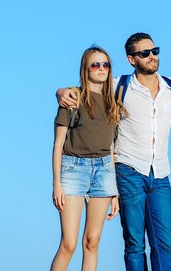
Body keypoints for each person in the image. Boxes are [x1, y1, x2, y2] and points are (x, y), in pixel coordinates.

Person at [57, 33, 171, 271]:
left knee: (164, 244)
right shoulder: (119, 85)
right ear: (131, 59)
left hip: (160, 175)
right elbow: (89, 86)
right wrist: (61, 91)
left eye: (154, 51)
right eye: (144, 53)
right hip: (128, 172)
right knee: (135, 245)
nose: (152, 56)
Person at [50, 46, 120, 271]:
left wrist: (114, 191)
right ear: (85, 69)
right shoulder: (72, 98)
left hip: (104, 171)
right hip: (73, 169)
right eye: (95, 65)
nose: (101, 69)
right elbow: (58, 144)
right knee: (68, 244)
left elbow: (111, 147)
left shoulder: (113, 104)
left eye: (106, 65)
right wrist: (57, 184)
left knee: (92, 242)